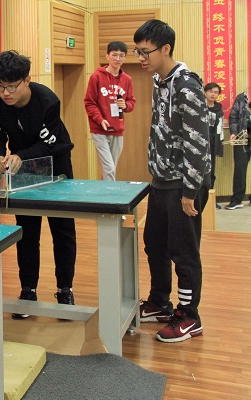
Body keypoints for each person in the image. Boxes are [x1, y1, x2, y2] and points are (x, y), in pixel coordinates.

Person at [134, 20, 211, 342]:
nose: (141, 58)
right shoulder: (160, 81)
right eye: (138, 52)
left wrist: (190, 190)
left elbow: (198, 142)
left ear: (166, 49)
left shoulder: (186, 86)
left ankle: (189, 316)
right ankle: (160, 302)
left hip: (184, 184)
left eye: (145, 52)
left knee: (184, 251)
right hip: (162, 180)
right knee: (155, 244)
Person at [0, 50, 77, 318]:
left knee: (63, 229)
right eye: (0, 87)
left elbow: (48, 144)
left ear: (26, 80)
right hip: (21, 166)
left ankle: (65, 289)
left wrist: (19, 156)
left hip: (56, 163)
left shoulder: (48, 101)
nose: (5, 93)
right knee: (26, 229)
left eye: (11, 87)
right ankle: (28, 291)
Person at [84, 41, 136, 181]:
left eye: (121, 56)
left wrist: (125, 105)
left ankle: (102, 192)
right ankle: (111, 195)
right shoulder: (96, 77)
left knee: (111, 168)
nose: (118, 59)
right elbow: (89, 103)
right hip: (100, 129)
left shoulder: (127, 80)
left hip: (118, 129)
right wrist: (100, 119)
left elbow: (132, 102)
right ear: (107, 56)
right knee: (109, 169)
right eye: (114, 55)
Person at [224, 92, 251, 210]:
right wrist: (234, 133)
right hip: (242, 138)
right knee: (240, 168)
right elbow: (233, 117)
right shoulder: (242, 98)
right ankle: (237, 200)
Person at [204, 82, 224, 208]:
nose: (213, 94)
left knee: (211, 173)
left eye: (216, 92)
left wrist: (219, 147)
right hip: (200, 143)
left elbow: (220, 130)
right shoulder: (200, 106)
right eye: (210, 91)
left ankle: (210, 200)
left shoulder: (219, 110)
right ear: (205, 92)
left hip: (212, 143)